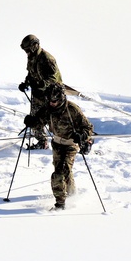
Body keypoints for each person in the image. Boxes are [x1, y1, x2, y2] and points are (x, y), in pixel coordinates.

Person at [23, 83, 93, 211]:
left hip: (70, 145)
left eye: (54, 101)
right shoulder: (48, 108)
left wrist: (81, 136)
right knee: (65, 173)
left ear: (61, 98)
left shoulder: (72, 109)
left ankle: (60, 205)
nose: (51, 103)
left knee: (59, 173)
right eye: (49, 101)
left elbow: (88, 128)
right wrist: (31, 122)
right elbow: (39, 122)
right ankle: (72, 194)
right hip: (56, 144)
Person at [17, 34, 63, 150]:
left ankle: (67, 142)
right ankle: (42, 142)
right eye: (25, 50)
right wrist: (26, 83)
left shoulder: (47, 59)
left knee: (56, 122)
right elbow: (31, 73)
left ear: (34, 45)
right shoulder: (31, 57)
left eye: (27, 49)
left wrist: (42, 83)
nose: (26, 52)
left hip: (52, 95)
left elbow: (53, 78)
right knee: (34, 120)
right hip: (38, 94)